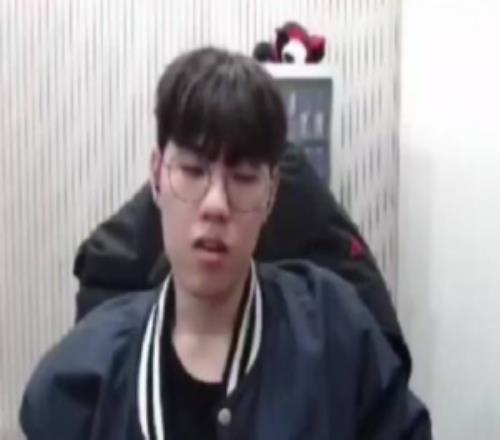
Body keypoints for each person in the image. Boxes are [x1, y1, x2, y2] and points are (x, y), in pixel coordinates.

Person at [20, 47, 431, 439]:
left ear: (271, 193)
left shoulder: (338, 334)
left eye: (244, 178)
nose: (216, 205)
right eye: (193, 170)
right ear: (157, 176)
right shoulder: (78, 380)